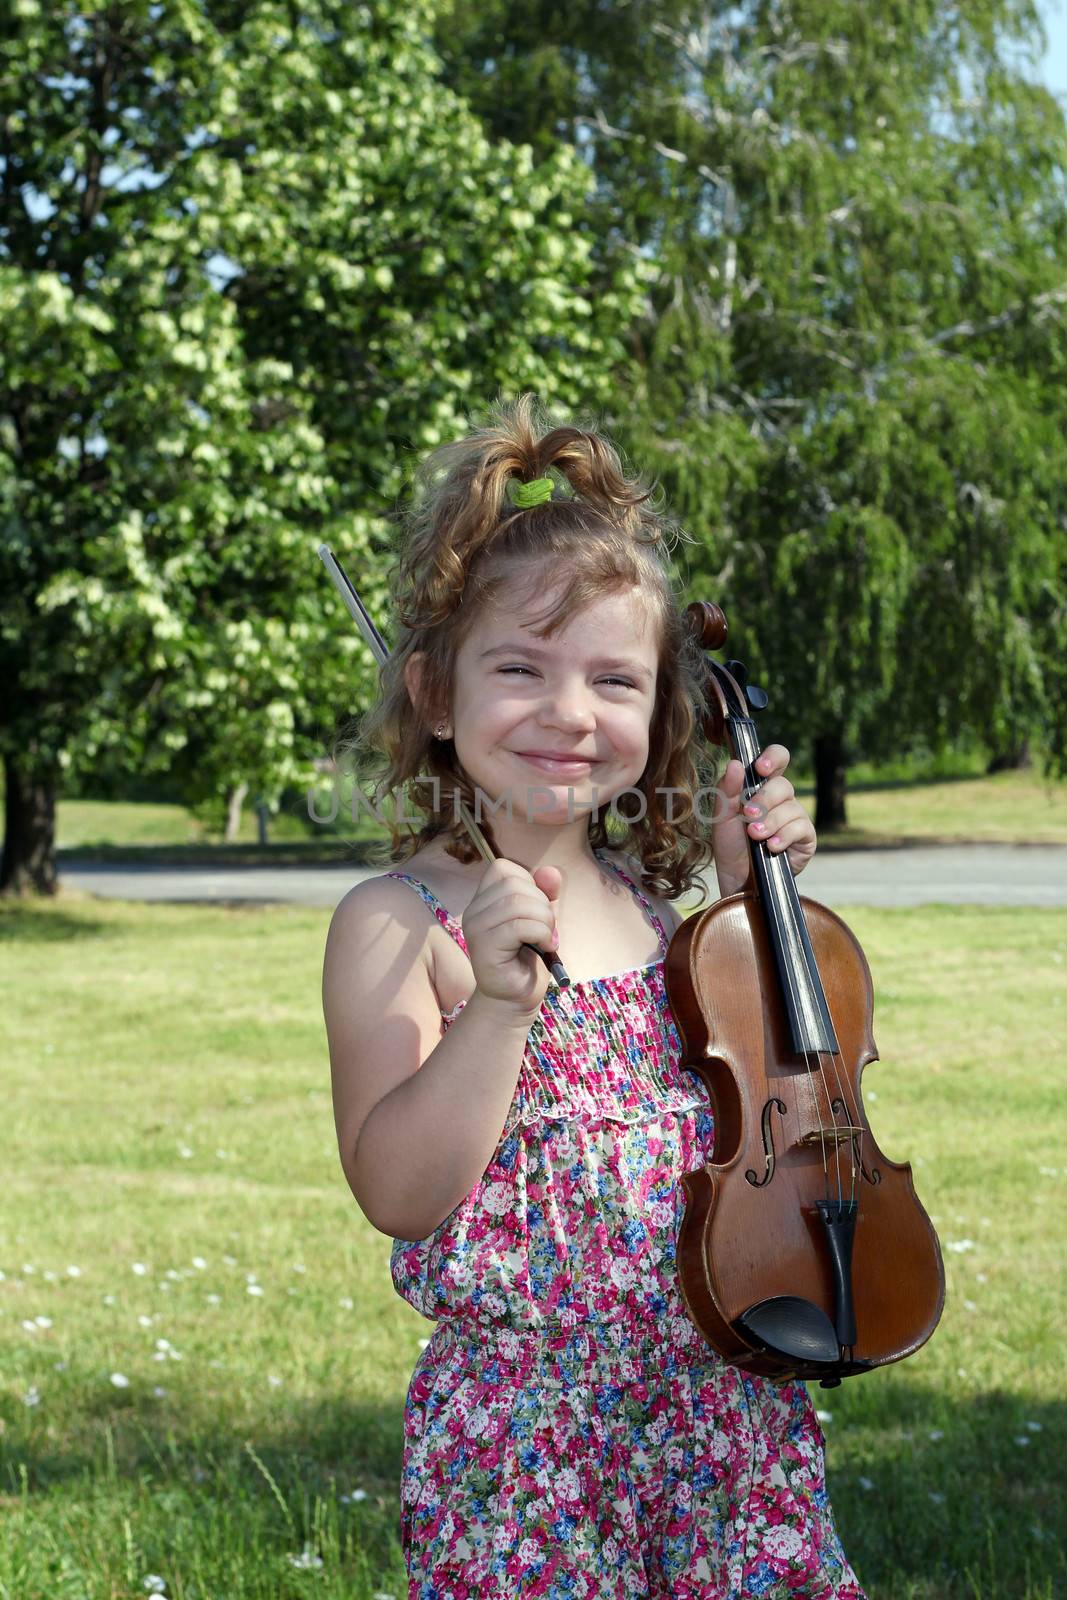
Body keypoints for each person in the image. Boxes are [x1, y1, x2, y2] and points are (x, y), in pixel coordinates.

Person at [322, 393, 864, 1598]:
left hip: (721, 1413)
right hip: (526, 1449)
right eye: (519, 668)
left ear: (659, 709)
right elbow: (401, 1195)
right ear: (435, 694)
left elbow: (773, 1118)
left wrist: (746, 911)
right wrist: (499, 1010)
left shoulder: (656, 915)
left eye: (613, 679)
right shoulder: (395, 922)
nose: (569, 713)